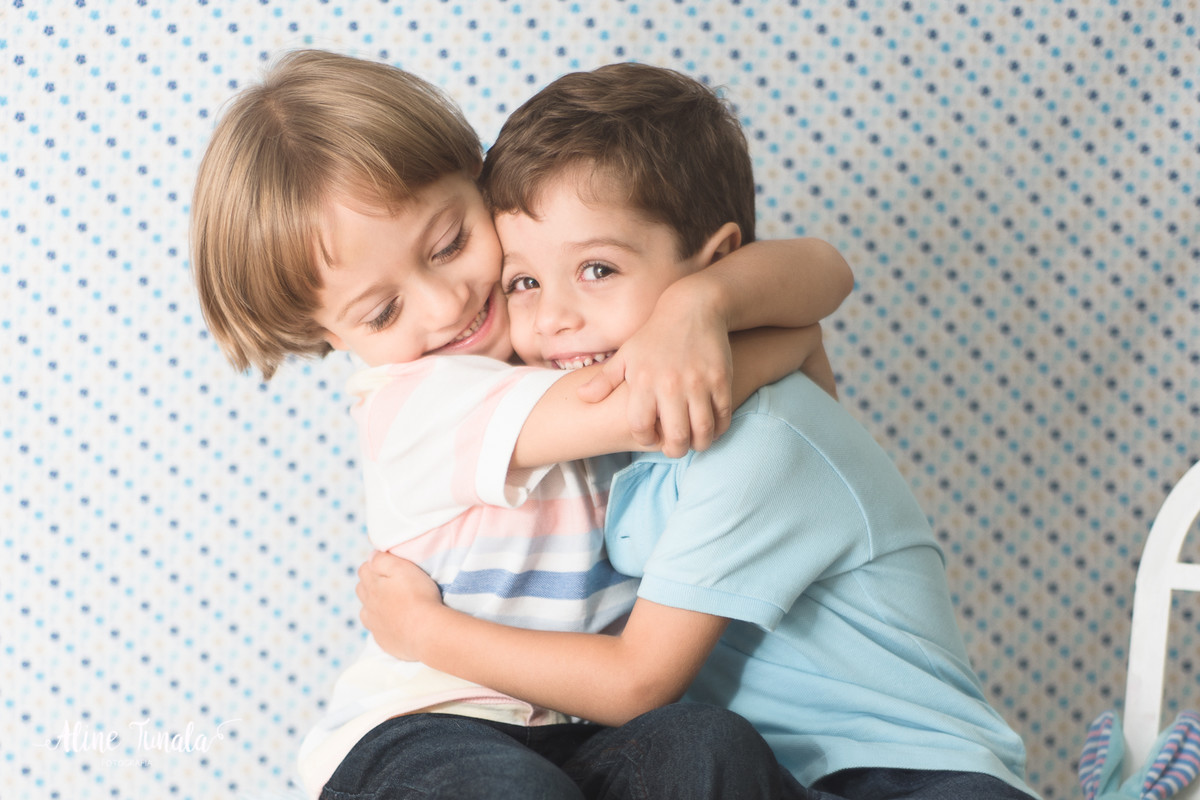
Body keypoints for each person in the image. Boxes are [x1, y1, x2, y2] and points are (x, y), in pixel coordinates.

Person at [356, 62, 1042, 800]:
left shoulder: (761, 440)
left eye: (597, 269)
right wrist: (730, 313)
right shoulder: (605, 434)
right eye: (523, 282)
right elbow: (807, 319)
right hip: (779, 773)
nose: (553, 319)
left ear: (714, 264)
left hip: (910, 779)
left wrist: (424, 632)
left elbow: (636, 684)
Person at [190, 50, 853, 799]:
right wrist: (787, 338)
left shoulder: (560, 337)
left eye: (450, 245)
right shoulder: (415, 405)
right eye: (383, 311)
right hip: (431, 728)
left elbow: (827, 272)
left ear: (480, 183)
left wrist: (702, 304)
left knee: (708, 745)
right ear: (326, 334)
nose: (445, 304)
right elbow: (648, 405)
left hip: (581, 728)